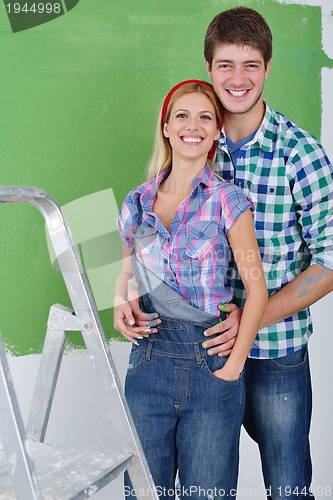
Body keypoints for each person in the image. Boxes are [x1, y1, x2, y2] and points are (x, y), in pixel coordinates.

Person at [199, 6, 333, 500]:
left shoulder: (301, 153)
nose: (238, 79)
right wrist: (124, 290)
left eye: (250, 65)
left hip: (277, 353)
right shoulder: (192, 142)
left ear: (268, 67)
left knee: (288, 486)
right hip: (204, 348)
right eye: (226, 65)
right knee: (206, 488)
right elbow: (143, 217)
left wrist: (251, 319)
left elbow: (331, 262)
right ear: (209, 67)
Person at [114, 80, 267, 499]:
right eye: (182, 115)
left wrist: (233, 369)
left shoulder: (228, 200)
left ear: (218, 131)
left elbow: (258, 292)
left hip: (210, 366)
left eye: (205, 117)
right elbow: (125, 273)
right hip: (147, 365)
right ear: (166, 127)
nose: (192, 125)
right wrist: (119, 301)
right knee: (144, 494)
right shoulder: (137, 202)